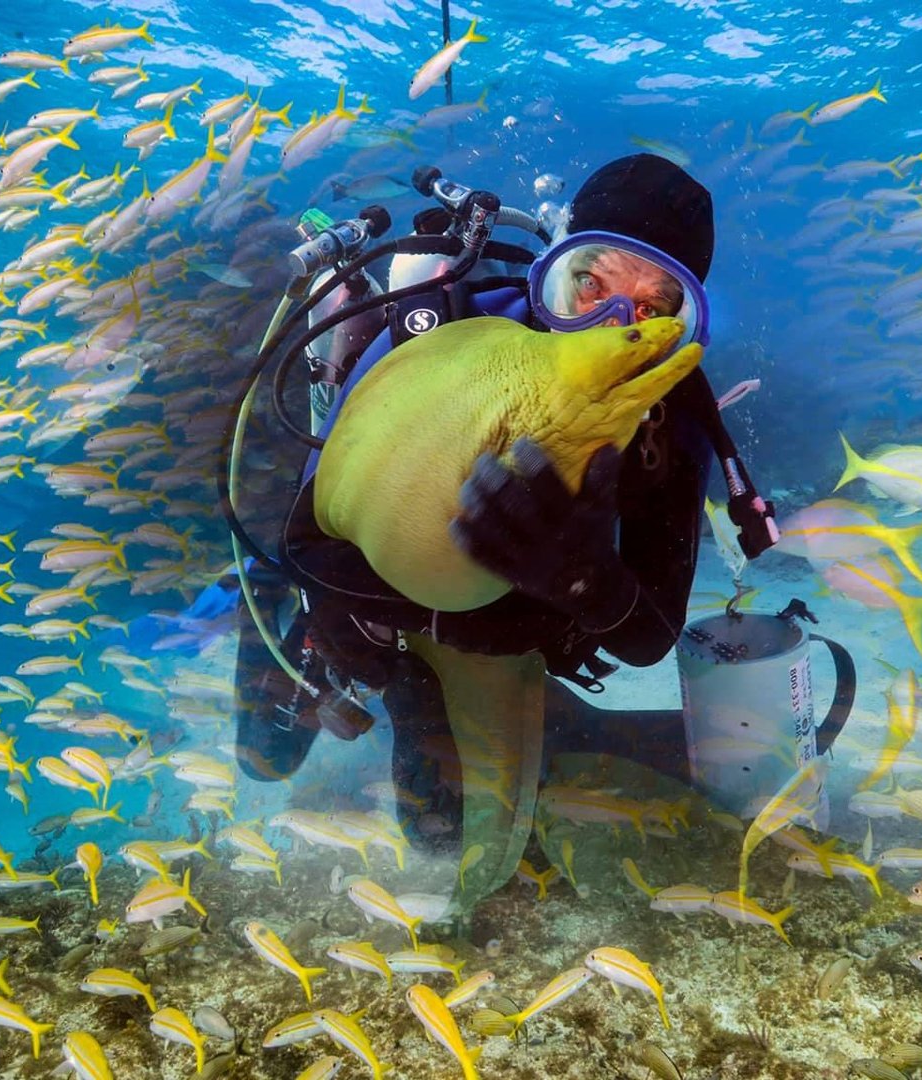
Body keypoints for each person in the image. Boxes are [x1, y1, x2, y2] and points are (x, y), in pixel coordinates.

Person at [234, 154, 760, 907]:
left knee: (449, 838)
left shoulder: (664, 422)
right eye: (591, 282)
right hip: (381, 627)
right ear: (552, 267)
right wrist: (396, 621)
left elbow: (646, 638)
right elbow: (307, 535)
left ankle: (541, 732)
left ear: (682, 325)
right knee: (268, 762)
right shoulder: (448, 326)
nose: (617, 325)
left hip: (519, 649)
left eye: (654, 309)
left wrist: (582, 576)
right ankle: (328, 665)